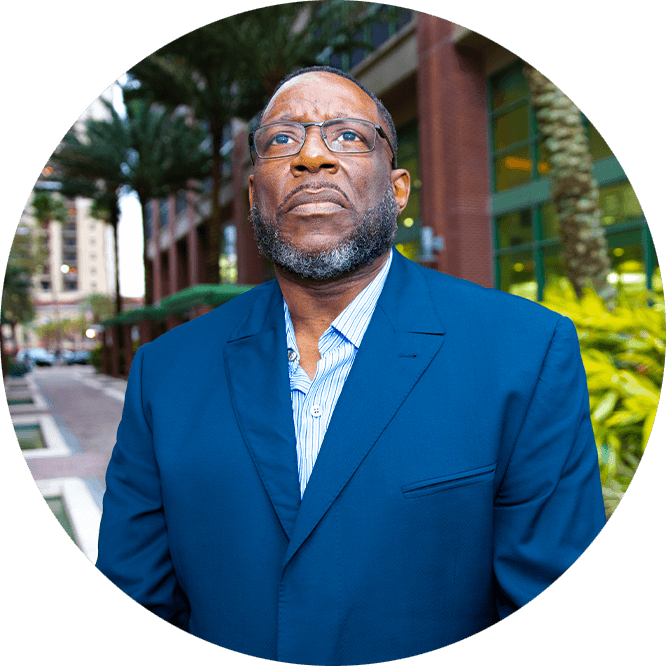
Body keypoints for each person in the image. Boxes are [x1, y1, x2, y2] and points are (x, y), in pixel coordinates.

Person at [96, 65, 606, 664]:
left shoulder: (525, 351)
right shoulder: (166, 372)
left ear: (397, 189)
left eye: (347, 136)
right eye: (281, 140)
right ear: (255, 193)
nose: (311, 156)